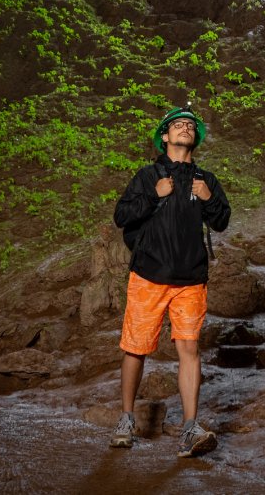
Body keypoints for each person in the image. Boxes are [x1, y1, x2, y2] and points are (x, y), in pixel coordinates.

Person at [109, 105, 231, 457]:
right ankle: (126, 419)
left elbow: (222, 221)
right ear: (165, 137)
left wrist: (208, 200)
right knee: (136, 347)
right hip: (149, 275)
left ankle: (191, 428)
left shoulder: (205, 180)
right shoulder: (148, 177)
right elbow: (122, 216)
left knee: (189, 349)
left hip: (191, 278)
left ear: (196, 137)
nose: (184, 129)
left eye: (189, 126)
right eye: (177, 125)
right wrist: (153, 194)